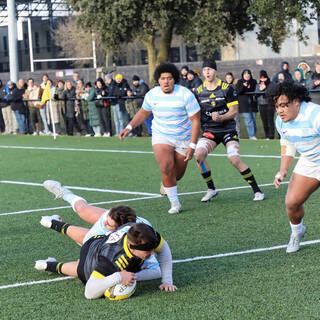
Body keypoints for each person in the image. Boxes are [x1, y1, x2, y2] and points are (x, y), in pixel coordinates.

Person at [39, 179, 161, 281]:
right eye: (107, 220)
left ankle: (49, 264)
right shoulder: (106, 219)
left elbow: (155, 269)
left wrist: (130, 276)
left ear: (120, 229)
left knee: (86, 269)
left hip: (119, 240)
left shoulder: (141, 239)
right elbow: (87, 241)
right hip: (110, 234)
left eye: (108, 225)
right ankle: (64, 194)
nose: (103, 224)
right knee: (82, 209)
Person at [119, 62, 200, 214]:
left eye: (169, 78)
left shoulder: (185, 94)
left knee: (178, 174)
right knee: (166, 167)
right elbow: (143, 113)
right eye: (163, 78)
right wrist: (129, 127)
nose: (166, 81)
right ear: (158, 80)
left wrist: (192, 145)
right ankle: (175, 203)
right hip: (161, 135)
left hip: (183, 138)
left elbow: (196, 120)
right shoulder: (152, 95)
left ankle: (167, 183)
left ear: (174, 79)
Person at [194, 59, 264, 202]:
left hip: (227, 129)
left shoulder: (227, 88)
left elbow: (233, 112)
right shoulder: (199, 91)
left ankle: (257, 191)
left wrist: (221, 117)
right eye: (205, 69)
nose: (207, 72)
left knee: (234, 159)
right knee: (199, 155)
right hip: (210, 131)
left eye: (210, 69)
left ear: (215, 71)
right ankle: (211, 189)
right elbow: (195, 113)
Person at [267, 81, 320, 253]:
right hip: (310, 162)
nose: (280, 110)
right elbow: (288, 144)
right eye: (277, 106)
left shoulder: (314, 115)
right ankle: (297, 233)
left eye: (284, 105)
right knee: (291, 203)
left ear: (296, 101)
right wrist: (283, 170)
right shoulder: (281, 122)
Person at [235, 69, 258, 140]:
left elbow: (254, 90)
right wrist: (244, 86)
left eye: (248, 74)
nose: (247, 76)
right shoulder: (240, 82)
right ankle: (251, 136)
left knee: (253, 120)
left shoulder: (253, 81)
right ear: (243, 75)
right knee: (248, 120)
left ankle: (254, 135)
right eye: (245, 74)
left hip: (252, 103)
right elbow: (238, 91)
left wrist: (248, 87)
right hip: (244, 104)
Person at [255, 70, 275, 140]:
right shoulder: (258, 85)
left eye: (264, 78)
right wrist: (260, 89)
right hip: (261, 105)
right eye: (261, 78)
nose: (263, 80)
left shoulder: (270, 84)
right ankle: (267, 135)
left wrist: (265, 88)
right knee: (264, 121)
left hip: (270, 104)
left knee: (270, 121)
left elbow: (271, 92)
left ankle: (271, 136)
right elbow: (256, 94)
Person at [225, 72, 240, 136]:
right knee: (227, 121)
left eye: (230, 78)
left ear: (232, 78)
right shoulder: (224, 86)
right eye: (227, 78)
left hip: (234, 105)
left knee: (236, 121)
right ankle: (229, 135)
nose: (228, 79)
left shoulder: (235, 85)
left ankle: (237, 135)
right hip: (226, 106)